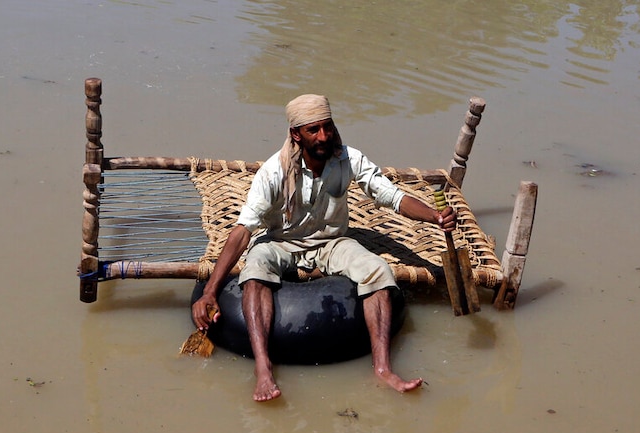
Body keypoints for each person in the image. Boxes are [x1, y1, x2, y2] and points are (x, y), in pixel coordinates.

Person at [191, 94, 455, 402]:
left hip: (331, 242)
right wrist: (211, 290)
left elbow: (392, 197)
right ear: (296, 135)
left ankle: (383, 370)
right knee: (255, 268)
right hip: (281, 241)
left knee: (378, 270)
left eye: (327, 127)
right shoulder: (274, 172)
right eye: (313, 130)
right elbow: (243, 231)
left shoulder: (347, 159)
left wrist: (434, 216)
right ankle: (263, 369)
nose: (323, 136)